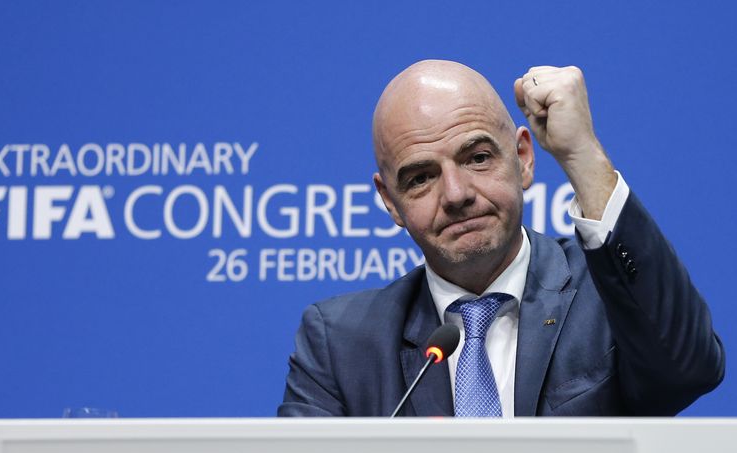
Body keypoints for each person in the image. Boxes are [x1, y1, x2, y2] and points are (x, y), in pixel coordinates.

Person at [277, 61, 724, 417]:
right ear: (390, 202)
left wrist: (582, 155)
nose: (456, 195)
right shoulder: (340, 343)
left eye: (477, 158)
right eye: (420, 178)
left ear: (524, 159)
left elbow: (688, 369)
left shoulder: (605, 298)